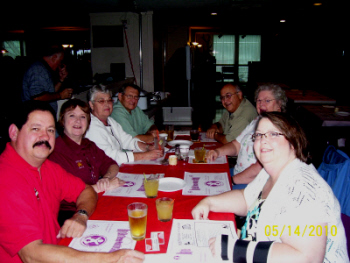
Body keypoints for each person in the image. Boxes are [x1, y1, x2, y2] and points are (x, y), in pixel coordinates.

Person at [192, 112, 348, 262]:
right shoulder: (270, 171)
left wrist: (235, 249)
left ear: (293, 141)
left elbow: (307, 258)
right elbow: (246, 199)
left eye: (273, 134)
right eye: (259, 135)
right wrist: (209, 202)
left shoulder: (304, 189)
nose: (263, 140)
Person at [0, 100, 144, 263]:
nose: (45, 137)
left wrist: (81, 215)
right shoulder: (6, 179)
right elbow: (32, 256)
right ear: (14, 132)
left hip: (61, 248)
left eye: (50, 130)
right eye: (36, 129)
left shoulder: (48, 168)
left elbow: (86, 191)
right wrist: (110, 258)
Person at [49, 99, 125, 225]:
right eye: (72, 115)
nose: (78, 121)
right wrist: (102, 186)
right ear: (62, 121)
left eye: (83, 117)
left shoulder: (89, 145)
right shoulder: (55, 151)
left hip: (95, 202)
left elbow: (112, 165)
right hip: (71, 214)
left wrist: (106, 178)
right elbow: (63, 193)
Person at [207, 83, 288, 189]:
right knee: (207, 175)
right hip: (237, 173)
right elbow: (236, 145)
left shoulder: (279, 130)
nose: (261, 104)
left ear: (279, 105)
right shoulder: (256, 121)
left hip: (254, 184)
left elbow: (260, 168)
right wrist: (217, 152)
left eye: (267, 101)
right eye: (259, 100)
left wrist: (232, 180)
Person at [85, 85, 163, 165]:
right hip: (104, 173)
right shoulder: (91, 126)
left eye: (109, 100)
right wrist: (145, 155)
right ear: (91, 105)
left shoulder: (110, 121)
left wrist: (147, 147)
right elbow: (110, 157)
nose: (107, 104)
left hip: (118, 165)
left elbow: (128, 141)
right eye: (101, 101)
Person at [21, 44, 73, 113]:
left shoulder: (43, 69)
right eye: (60, 61)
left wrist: (61, 79)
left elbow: (49, 93)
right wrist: (60, 95)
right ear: (54, 58)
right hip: (37, 117)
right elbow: (37, 98)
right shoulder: (38, 69)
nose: (60, 64)